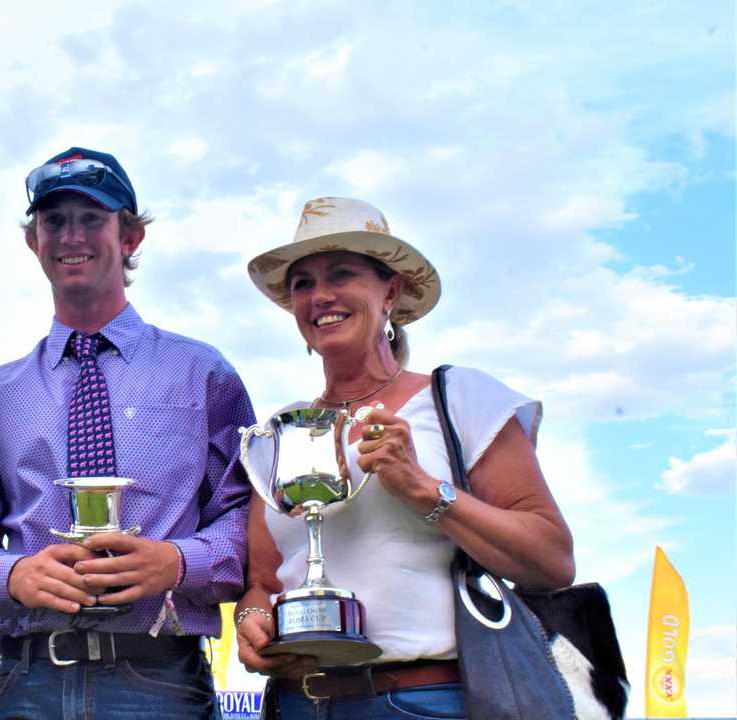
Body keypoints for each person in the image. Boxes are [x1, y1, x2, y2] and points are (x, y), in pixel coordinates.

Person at [0, 147, 256, 719]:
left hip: (160, 681)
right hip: (30, 681)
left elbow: (247, 524)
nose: (70, 236)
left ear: (131, 236)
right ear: (33, 241)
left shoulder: (203, 374)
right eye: (53, 221)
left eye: (92, 218)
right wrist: (13, 574)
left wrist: (178, 563)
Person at [235, 197, 575, 718]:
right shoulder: (281, 431)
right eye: (302, 283)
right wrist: (252, 621)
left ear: (390, 290)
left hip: (427, 699)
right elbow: (262, 579)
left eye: (341, 274)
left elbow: (552, 561)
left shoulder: (459, 397)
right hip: (298, 703)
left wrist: (421, 486)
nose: (320, 295)